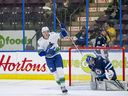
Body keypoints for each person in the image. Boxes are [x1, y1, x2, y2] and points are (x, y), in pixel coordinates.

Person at [37, 25, 68, 93]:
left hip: (57, 55)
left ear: (49, 31)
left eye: (47, 31)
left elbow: (64, 35)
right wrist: (47, 52)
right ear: (42, 33)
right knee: (55, 74)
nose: (46, 33)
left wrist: (63, 29)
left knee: (60, 71)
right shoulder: (40, 41)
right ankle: (61, 86)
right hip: (49, 59)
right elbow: (40, 53)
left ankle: (63, 86)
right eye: (44, 32)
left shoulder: (53, 35)